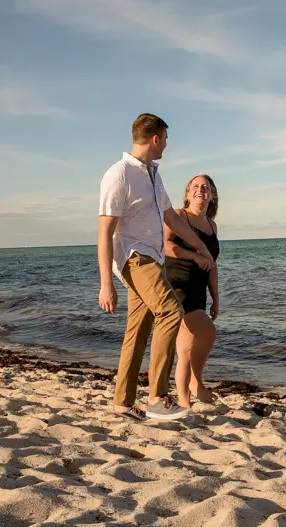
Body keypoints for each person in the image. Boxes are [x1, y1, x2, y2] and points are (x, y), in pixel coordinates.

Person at [98, 113, 215, 422]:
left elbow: (172, 219)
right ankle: (157, 396)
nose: (166, 144)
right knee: (171, 311)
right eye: (165, 139)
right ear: (156, 138)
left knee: (138, 331)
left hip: (153, 258)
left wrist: (199, 245)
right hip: (134, 257)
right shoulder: (119, 174)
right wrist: (105, 283)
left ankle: (123, 402)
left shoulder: (152, 174)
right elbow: (104, 230)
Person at [164, 174, 221, 408]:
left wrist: (216, 299)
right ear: (187, 194)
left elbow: (213, 265)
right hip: (177, 287)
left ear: (213, 195)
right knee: (208, 332)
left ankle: (185, 403)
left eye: (205, 187)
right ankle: (196, 384)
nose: (201, 190)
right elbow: (165, 245)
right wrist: (194, 255)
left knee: (186, 350)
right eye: (195, 187)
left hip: (199, 291)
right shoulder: (179, 216)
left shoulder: (211, 225)